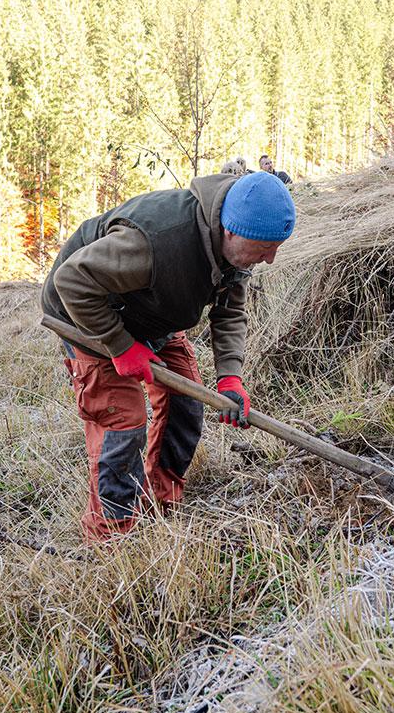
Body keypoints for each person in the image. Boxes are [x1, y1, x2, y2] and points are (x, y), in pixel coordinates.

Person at [41, 171, 296, 542]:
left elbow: (230, 312)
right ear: (230, 230)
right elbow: (73, 282)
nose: (269, 260)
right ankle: (112, 536)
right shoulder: (155, 242)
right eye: (263, 248)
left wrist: (230, 377)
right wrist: (121, 346)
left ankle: (157, 503)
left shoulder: (236, 251)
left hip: (150, 314)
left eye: (276, 247)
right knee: (123, 426)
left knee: (186, 406)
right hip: (88, 317)